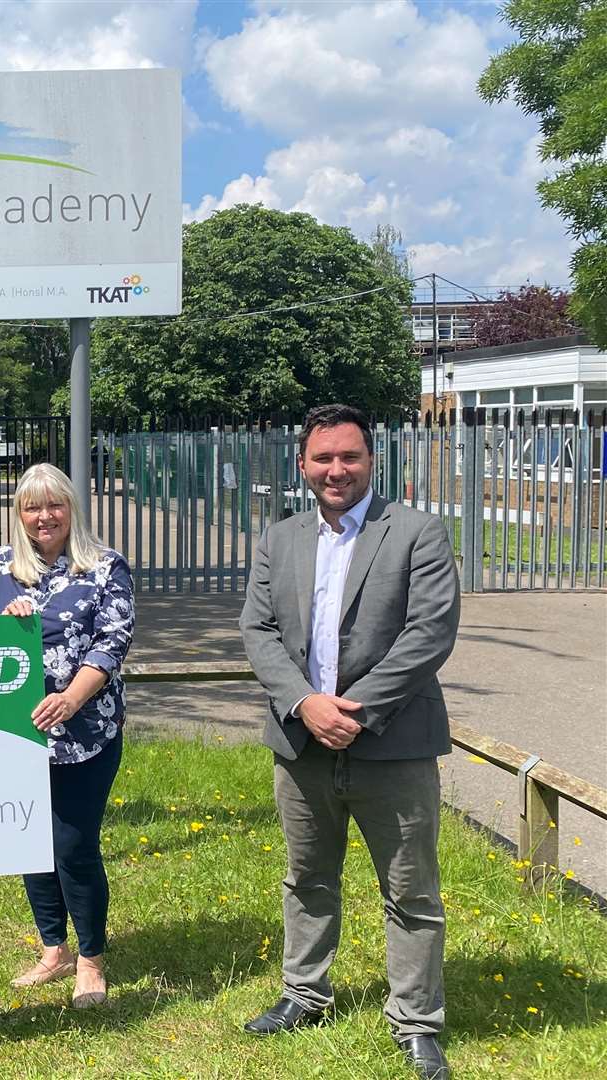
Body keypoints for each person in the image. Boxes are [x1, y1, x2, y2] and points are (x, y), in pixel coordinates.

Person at [238, 404, 461, 1080]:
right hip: (302, 744)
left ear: (372, 460)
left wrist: (355, 712)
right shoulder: (280, 539)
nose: (337, 469)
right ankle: (305, 994)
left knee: (411, 890)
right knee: (307, 878)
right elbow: (258, 631)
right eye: (323, 458)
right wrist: (306, 704)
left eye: (350, 457)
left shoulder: (419, 533)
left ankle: (416, 1023)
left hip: (392, 745)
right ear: (302, 465)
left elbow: (429, 633)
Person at [0, 462, 135, 1009]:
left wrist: (70, 698)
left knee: (73, 845)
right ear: (20, 513)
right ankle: (52, 949)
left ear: (71, 509)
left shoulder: (105, 567)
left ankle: (91, 959)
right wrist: (2, 624)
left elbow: (112, 642)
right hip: (17, 734)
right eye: (33, 507)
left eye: (54, 505)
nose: (45, 516)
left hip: (85, 731)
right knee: (29, 844)